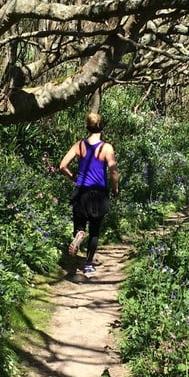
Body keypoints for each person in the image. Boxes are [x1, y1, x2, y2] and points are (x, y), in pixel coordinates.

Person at [59, 112, 119, 275]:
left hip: (81, 192)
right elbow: (113, 171)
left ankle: (79, 234)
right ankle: (88, 264)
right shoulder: (106, 148)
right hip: (99, 194)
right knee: (94, 230)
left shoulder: (79, 145)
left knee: (80, 225)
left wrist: (74, 178)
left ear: (88, 127)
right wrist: (115, 189)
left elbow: (62, 165)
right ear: (101, 127)